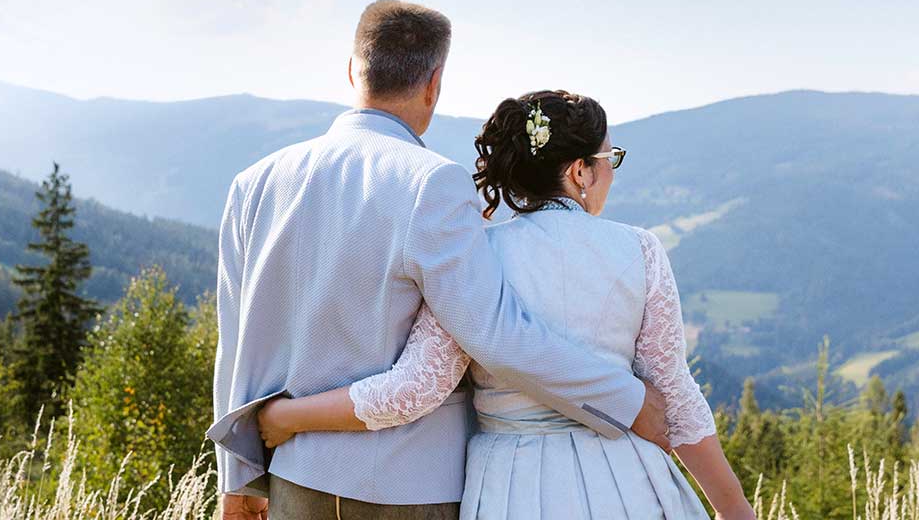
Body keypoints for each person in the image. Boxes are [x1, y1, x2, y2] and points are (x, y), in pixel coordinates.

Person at [208, 0, 672, 519]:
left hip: (292, 475)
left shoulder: (253, 184)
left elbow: (237, 341)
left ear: (352, 71)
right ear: (434, 84)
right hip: (407, 486)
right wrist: (626, 400)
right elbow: (494, 334)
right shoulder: (431, 182)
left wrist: (238, 478)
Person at [255, 90, 755, 520]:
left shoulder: (478, 255)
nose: (611, 172)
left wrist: (287, 417)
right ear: (580, 171)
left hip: (512, 485)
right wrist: (735, 509)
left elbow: (416, 388)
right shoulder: (642, 249)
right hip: (628, 481)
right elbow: (675, 395)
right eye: (610, 159)